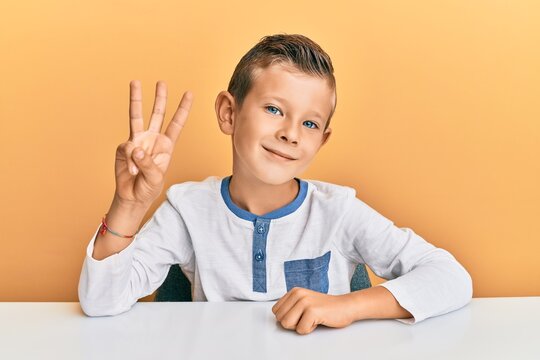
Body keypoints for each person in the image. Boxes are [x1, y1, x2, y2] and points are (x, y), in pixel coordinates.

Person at [78, 34, 473, 335]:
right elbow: (100, 302)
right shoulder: (187, 210)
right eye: (273, 109)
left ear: (322, 140)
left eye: (310, 123)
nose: (291, 134)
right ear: (228, 113)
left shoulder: (338, 211)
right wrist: (128, 205)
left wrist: (348, 306)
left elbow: (451, 277)